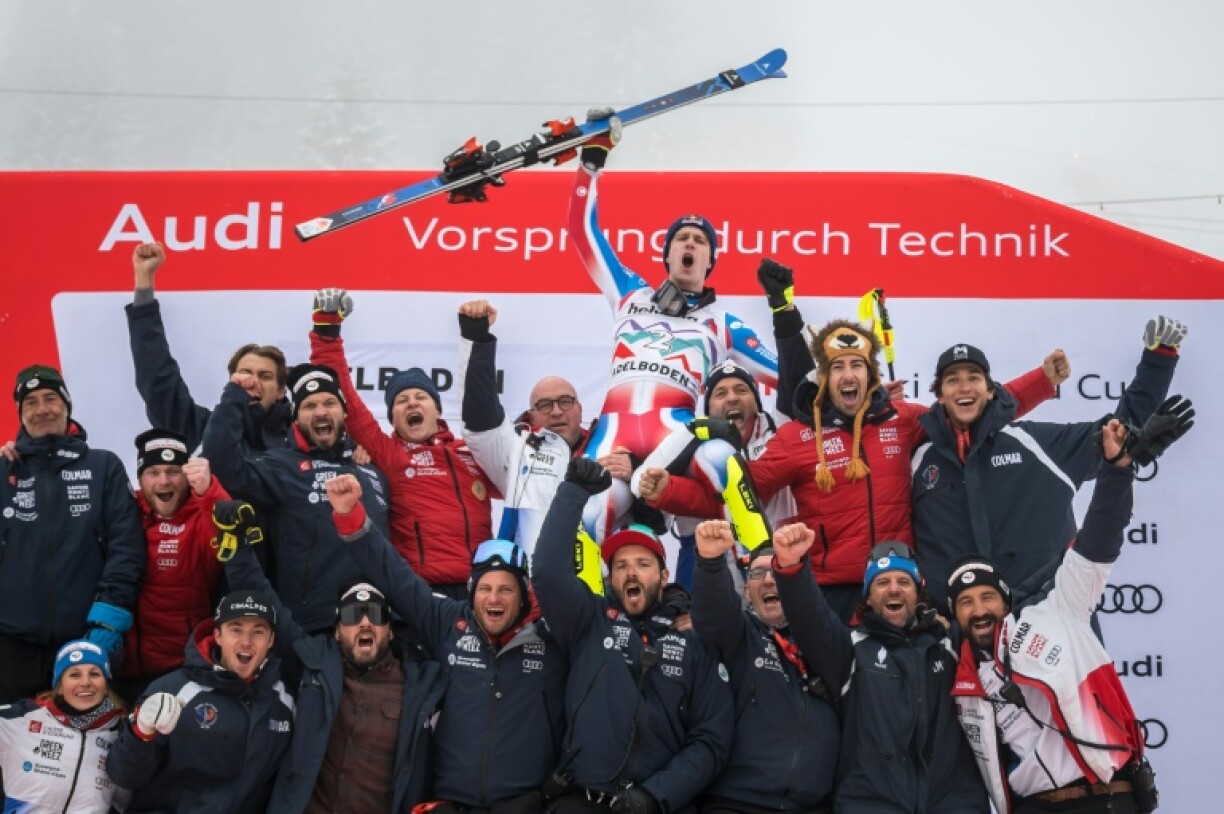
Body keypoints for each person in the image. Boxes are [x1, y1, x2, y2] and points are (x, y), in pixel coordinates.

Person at [637, 319, 1060, 621]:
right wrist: (667, 493)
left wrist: (1041, 381)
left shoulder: (904, 419)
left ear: (871, 375)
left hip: (898, 582)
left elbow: (972, 410)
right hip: (830, 592)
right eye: (836, 367)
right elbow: (735, 493)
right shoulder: (797, 438)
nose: (847, 374)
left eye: (856, 364)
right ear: (823, 380)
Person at [947, 400, 1192, 814]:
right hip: (1035, 807)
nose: (979, 610)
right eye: (966, 603)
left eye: (988, 597)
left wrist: (1118, 470)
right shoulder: (961, 678)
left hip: (1109, 798)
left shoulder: (1059, 609)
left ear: (1007, 603)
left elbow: (1099, 537)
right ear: (955, 615)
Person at [566, 113, 779, 544]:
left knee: (723, 457)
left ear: (710, 261)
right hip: (613, 435)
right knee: (588, 515)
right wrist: (591, 162)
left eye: (700, 242)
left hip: (676, 438)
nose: (689, 244)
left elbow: (785, 376)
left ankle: (760, 557)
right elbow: (582, 234)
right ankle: (585, 608)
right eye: (681, 238)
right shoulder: (630, 295)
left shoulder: (723, 323)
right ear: (666, 256)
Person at [326, 473, 567, 814]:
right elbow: (395, 577)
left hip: (524, 804)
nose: (493, 598)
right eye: (485, 588)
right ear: (472, 592)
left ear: (525, 597)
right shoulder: (448, 623)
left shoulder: (553, 639)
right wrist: (351, 516)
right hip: (450, 802)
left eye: (506, 589)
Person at [912, 316, 1184, 609]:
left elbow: (1120, 431)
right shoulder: (918, 463)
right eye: (953, 380)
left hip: (1049, 625)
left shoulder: (1037, 445)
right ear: (939, 397)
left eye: (974, 378)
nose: (964, 387)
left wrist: (1158, 361)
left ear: (991, 391)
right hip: (959, 634)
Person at [216, 496, 445, 814]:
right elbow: (264, 602)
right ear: (337, 630)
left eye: (376, 614)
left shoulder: (425, 684)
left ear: (391, 630)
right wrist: (238, 549)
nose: (365, 622)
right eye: (353, 615)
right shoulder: (312, 664)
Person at [533, 458, 733, 814]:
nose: (630, 573)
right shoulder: (588, 620)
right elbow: (548, 572)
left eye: (642, 564)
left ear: (664, 573)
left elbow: (711, 741)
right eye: (621, 566)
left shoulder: (694, 640)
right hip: (581, 801)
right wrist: (573, 492)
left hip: (657, 805)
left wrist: (655, 794)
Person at [770, 530, 988, 812]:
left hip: (952, 802)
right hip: (870, 803)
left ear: (918, 593)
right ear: (868, 598)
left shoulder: (951, 645)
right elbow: (811, 619)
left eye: (903, 582)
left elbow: (993, 617)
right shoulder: (850, 649)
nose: (894, 589)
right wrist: (791, 568)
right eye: (882, 582)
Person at [310, 289, 495, 598]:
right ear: (392, 418)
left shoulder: (473, 449)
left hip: (481, 590)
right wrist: (327, 332)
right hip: (421, 591)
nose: (412, 404)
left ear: (437, 409)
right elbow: (345, 399)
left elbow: (524, 478)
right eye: (401, 401)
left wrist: (478, 335)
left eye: (421, 397)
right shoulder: (389, 453)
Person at [202, 362, 390, 633]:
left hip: (376, 623)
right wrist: (233, 398)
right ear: (296, 418)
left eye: (329, 403)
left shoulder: (372, 471)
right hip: (313, 627)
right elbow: (222, 465)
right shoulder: (280, 466)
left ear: (344, 412)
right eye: (309, 406)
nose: (321, 411)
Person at [0, 364, 145, 704]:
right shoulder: (3, 471)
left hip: (83, 642)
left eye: (50, 398)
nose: (42, 409)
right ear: (20, 414)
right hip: (11, 644)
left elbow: (127, 550)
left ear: (67, 405)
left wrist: (107, 623)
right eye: (30, 402)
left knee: (86, 751)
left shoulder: (103, 466)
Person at [457, 299, 636, 557]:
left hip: (597, 586)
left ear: (580, 409)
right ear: (531, 415)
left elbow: (654, 519)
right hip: (529, 584)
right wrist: (476, 336)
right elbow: (479, 417)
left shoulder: (610, 446)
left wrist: (637, 475)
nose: (556, 411)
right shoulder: (516, 451)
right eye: (544, 405)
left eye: (565, 402)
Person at [689, 520, 838, 814]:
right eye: (758, 574)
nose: (769, 580)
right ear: (746, 593)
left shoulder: (827, 642)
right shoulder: (737, 636)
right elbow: (713, 613)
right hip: (737, 802)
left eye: (776, 571)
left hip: (813, 806)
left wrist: (794, 569)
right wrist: (710, 563)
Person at [106, 589, 294, 813]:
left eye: (258, 632)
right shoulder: (173, 689)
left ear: (271, 640)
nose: (246, 642)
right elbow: (124, 777)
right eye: (236, 630)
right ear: (218, 636)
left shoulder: (285, 703)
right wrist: (140, 733)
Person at [125, 241, 292, 454]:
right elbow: (158, 381)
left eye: (265, 376)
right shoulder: (201, 428)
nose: (253, 381)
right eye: (245, 373)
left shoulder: (299, 436)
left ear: (280, 391)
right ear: (231, 381)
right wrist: (144, 282)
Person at [117, 430, 227, 701]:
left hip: (181, 671)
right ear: (141, 478)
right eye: (153, 472)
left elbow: (230, 540)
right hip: (121, 671)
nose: (163, 480)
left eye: (173, 471)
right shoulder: (123, 512)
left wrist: (210, 491)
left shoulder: (202, 515)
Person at [0, 640, 129, 812]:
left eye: (95, 674)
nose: (85, 682)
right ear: (60, 686)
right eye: (74, 675)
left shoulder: (120, 733)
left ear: (106, 686)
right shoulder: (21, 719)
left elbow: (129, 798)